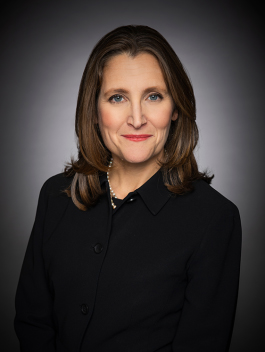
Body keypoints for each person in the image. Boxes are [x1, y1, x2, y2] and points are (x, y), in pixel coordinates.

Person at [14, 25, 242, 352]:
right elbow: (32, 323)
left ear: (175, 108)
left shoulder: (214, 218)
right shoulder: (55, 196)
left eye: (153, 96)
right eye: (117, 97)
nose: (137, 119)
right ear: (94, 111)